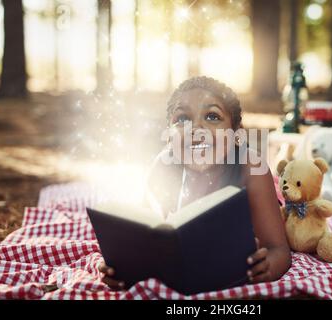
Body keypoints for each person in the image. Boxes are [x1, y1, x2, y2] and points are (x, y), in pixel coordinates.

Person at [98, 76, 291, 290]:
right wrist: (122, 266)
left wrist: (268, 267)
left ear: (236, 132)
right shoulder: (164, 165)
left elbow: (279, 250)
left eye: (212, 116)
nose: (196, 128)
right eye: (182, 119)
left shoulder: (251, 168)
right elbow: (143, 234)